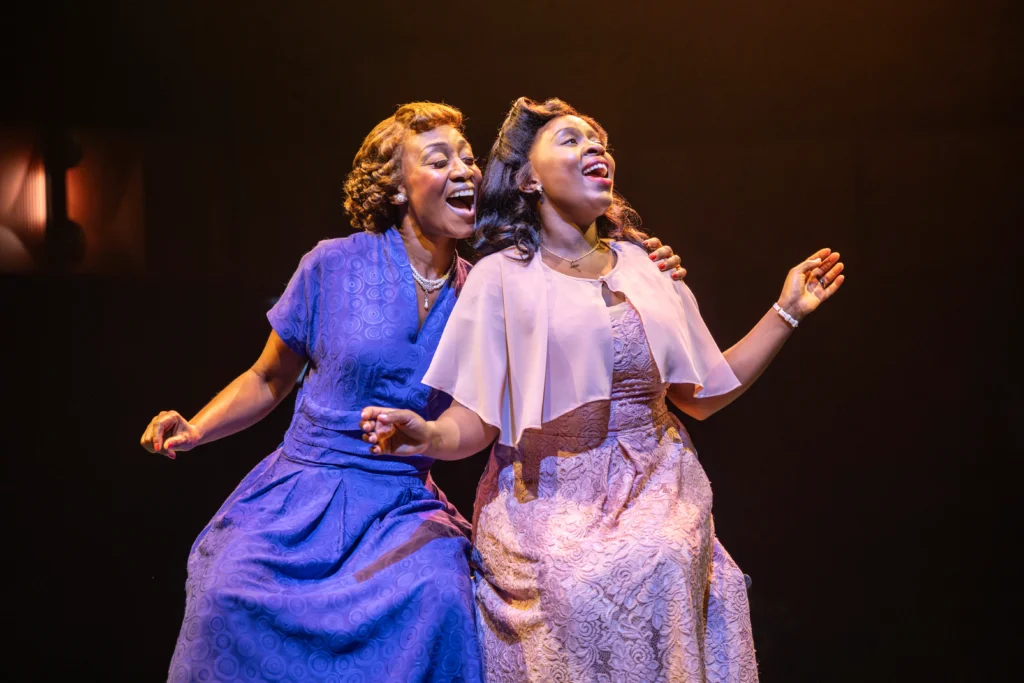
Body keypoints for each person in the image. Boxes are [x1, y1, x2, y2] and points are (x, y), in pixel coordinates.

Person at [140, 101, 685, 683]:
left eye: (469, 159)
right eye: (439, 159)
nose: (465, 170)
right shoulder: (332, 264)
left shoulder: (488, 287)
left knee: (441, 596)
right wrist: (197, 428)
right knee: (227, 589)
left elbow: (560, 315)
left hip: (401, 503)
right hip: (302, 493)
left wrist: (638, 267)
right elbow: (268, 378)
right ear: (397, 188)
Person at [360, 97, 845, 682]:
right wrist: (427, 435)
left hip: (658, 486)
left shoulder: (646, 265)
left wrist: (787, 311)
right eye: (571, 139)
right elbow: (476, 420)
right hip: (549, 498)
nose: (596, 147)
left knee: (665, 558)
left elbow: (702, 396)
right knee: (574, 583)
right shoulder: (500, 277)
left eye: (600, 141)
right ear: (527, 178)